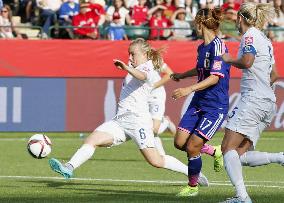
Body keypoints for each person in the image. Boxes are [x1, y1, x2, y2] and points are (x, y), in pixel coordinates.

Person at [48, 38, 208, 187]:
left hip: (138, 122)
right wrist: (129, 67)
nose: (130, 57)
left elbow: (143, 75)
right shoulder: (138, 66)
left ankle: (193, 172)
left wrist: (126, 67)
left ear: (144, 54)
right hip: (120, 121)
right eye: (129, 54)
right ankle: (68, 167)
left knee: (156, 161)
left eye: (133, 54)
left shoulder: (146, 67)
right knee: (92, 140)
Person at [220, 2, 284, 203]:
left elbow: (247, 61)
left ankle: (242, 197)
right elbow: (274, 74)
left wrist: (228, 59)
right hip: (267, 102)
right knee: (238, 156)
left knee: (227, 149)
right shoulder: (265, 39)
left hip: (254, 100)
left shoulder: (249, 36)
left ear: (240, 18)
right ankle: (280, 157)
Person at [170, 7, 230, 197]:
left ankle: (193, 187)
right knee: (180, 142)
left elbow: (214, 77)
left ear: (200, 22)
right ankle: (214, 151)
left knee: (192, 146)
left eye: (194, 22)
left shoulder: (218, 46)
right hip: (198, 102)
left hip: (215, 106)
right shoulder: (201, 47)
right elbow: (200, 69)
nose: (193, 26)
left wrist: (188, 89)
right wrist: (182, 75)